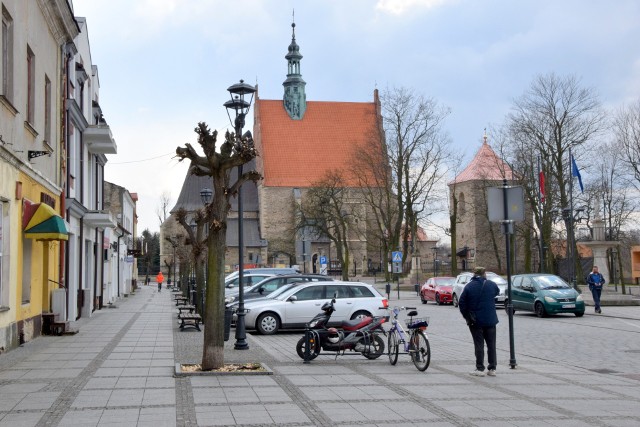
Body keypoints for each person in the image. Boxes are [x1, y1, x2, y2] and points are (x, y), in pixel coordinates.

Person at [459, 266, 500, 377]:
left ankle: (480, 368)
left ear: (474, 274)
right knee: (491, 345)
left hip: (475, 321)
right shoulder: (491, 285)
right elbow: (497, 292)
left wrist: (467, 316)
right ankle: (492, 368)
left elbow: (461, 303)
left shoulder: (468, 287)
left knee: (479, 345)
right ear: (484, 274)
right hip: (491, 320)